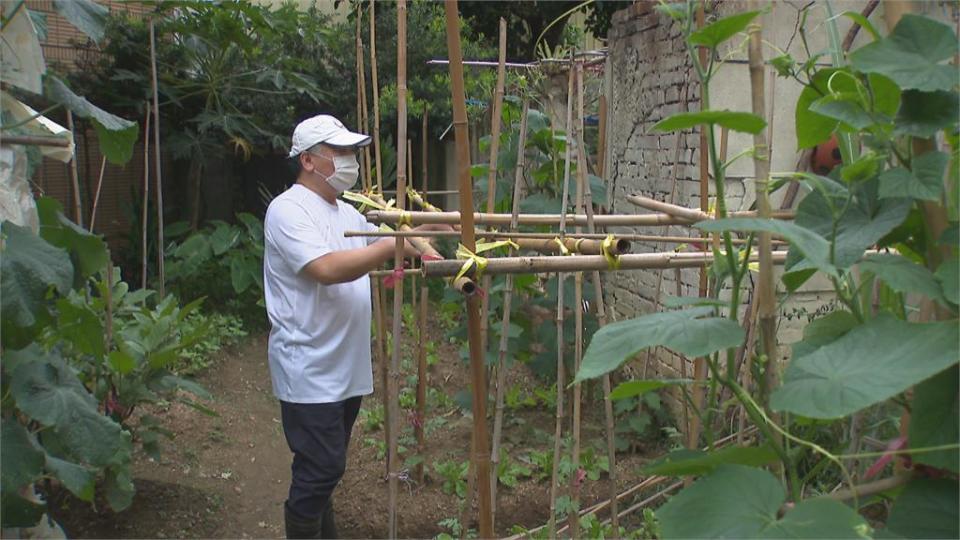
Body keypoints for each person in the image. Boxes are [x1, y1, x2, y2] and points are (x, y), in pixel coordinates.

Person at [263, 114, 440, 538]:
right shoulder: (287, 211)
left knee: (323, 467)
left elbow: (383, 245)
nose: (351, 161)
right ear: (308, 160)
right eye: (340, 152)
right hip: (307, 366)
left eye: (351, 152)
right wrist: (395, 243)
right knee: (323, 469)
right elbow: (326, 268)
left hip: (343, 366)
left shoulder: (345, 212)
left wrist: (432, 229)